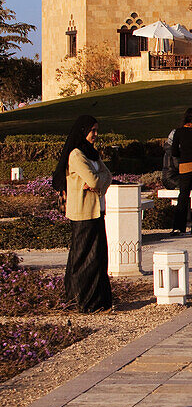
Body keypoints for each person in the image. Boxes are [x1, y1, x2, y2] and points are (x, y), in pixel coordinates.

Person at [53, 115, 113, 313]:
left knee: (97, 257)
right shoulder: (76, 155)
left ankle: (97, 300)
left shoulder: (92, 153)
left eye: (97, 130)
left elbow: (107, 176)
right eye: (92, 130)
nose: (95, 134)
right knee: (82, 259)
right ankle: (80, 300)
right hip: (82, 213)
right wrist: (98, 181)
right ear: (83, 131)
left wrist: (98, 181)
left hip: (96, 211)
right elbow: (96, 181)